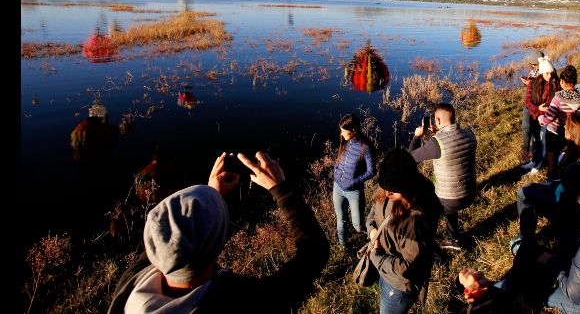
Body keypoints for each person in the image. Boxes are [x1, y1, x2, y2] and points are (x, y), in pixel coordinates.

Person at [108, 151, 330, 313]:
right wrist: (280, 188)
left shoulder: (129, 287)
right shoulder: (244, 302)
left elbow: (170, 232)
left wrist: (211, 194)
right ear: (220, 243)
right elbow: (314, 253)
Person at [459, 162, 580, 314]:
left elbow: (576, 293)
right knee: (527, 258)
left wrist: (553, 264)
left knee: (528, 290)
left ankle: (494, 290)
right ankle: (496, 286)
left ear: (576, 200)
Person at [511, 113, 580, 253]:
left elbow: (568, 198)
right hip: (565, 192)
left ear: (575, 134)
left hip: (568, 206)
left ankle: (525, 242)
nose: (564, 128)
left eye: (567, 127)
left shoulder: (579, 166)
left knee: (524, 193)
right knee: (528, 189)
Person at [366, 148, 443, 314]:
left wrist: (376, 257)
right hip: (385, 270)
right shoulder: (387, 191)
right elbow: (374, 212)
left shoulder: (416, 220)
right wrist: (372, 230)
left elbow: (408, 266)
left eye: (392, 189)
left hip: (399, 285)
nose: (387, 194)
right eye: (384, 187)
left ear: (408, 185)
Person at [409, 103, 477, 250]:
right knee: (450, 194)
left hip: (450, 198)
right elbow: (453, 144)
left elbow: (410, 158)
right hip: (470, 193)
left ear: (438, 120)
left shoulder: (436, 143)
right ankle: (452, 238)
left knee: (424, 208)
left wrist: (416, 136)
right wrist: (438, 133)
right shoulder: (470, 135)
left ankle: (429, 248)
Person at [537, 65, 580, 177]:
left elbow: (549, 117)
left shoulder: (558, 98)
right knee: (571, 155)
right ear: (575, 81)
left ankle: (552, 175)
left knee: (551, 152)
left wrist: (541, 118)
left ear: (561, 81)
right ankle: (569, 174)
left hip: (558, 130)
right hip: (576, 131)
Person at [332, 113, 376, 246]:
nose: (341, 133)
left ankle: (371, 242)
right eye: (341, 130)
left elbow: (371, 171)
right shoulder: (345, 142)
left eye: (344, 131)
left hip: (354, 192)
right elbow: (339, 161)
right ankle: (342, 245)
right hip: (338, 189)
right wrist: (335, 171)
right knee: (341, 220)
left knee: (357, 224)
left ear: (353, 131)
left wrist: (353, 182)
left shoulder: (366, 147)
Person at [521, 56, 561, 170]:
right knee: (535, 139)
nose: (550, 76)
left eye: (551, 73)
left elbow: (555, 101)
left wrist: (545, 109)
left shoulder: (555, 84)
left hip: (547, 118)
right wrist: (538, 108)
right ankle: (534, 160)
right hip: (535, 116)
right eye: (547, 73)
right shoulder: (532, 84)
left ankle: (539, 165)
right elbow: (527, 101)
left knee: (543, 142)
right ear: (542, 72)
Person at [520, 49, 545, 160]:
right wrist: (527, 82)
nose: (533, 66)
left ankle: (533, 150)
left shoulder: (546, 72)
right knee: (525, 126)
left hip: (539, 104)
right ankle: (524, 148)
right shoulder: (533, 71)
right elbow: (531, 86)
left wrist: (530, 83)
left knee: (536, 129)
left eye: (535, 64)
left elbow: (544, 88)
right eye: (532, 64)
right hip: (528, 103)